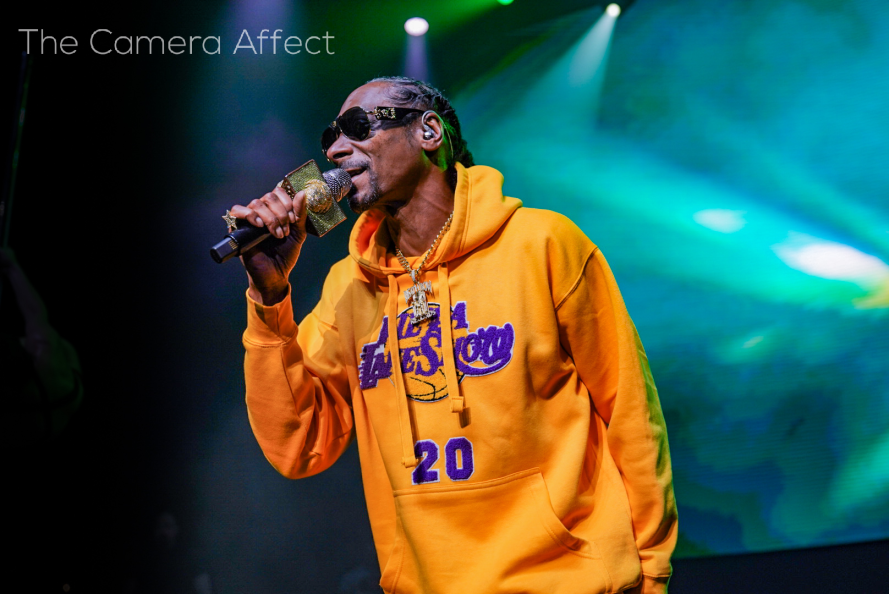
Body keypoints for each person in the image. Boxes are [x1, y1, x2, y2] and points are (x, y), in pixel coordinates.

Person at [229, 76, 677, 594]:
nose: (334, 149)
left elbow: (631, 415)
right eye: (331, 136)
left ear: (428, 132)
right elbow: (298, 446)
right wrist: (269, 300)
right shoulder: (348, 287)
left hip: (569, 579)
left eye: (357, 126)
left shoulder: (543, 244)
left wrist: (653, 571)